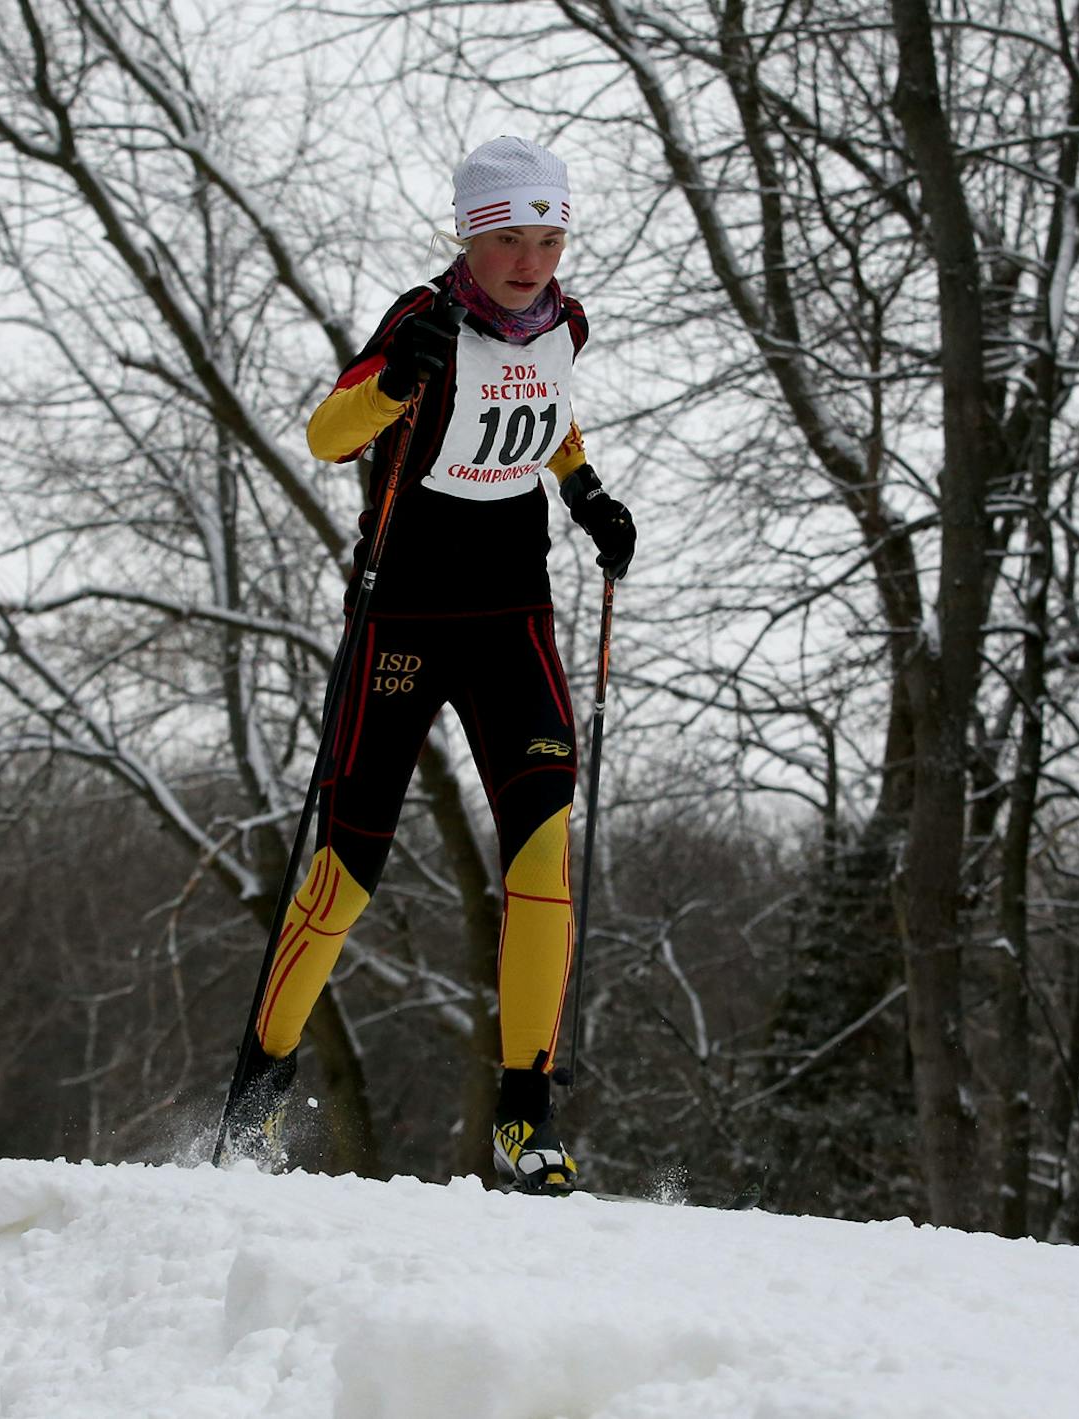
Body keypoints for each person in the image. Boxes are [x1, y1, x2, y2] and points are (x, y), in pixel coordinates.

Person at [246, 136, 634, 1193]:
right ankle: (261, 1083)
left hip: (512, 614)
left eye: (549, 238)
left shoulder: (565, 322)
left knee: (544, 845)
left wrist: (587, 492)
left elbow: (548, 413)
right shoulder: (425, 317)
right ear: (469, 235)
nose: (530, 260)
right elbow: (329, 434)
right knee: (348, 866)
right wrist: (393, 383)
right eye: (508, 238)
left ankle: (525, 1111)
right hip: (404, 617)